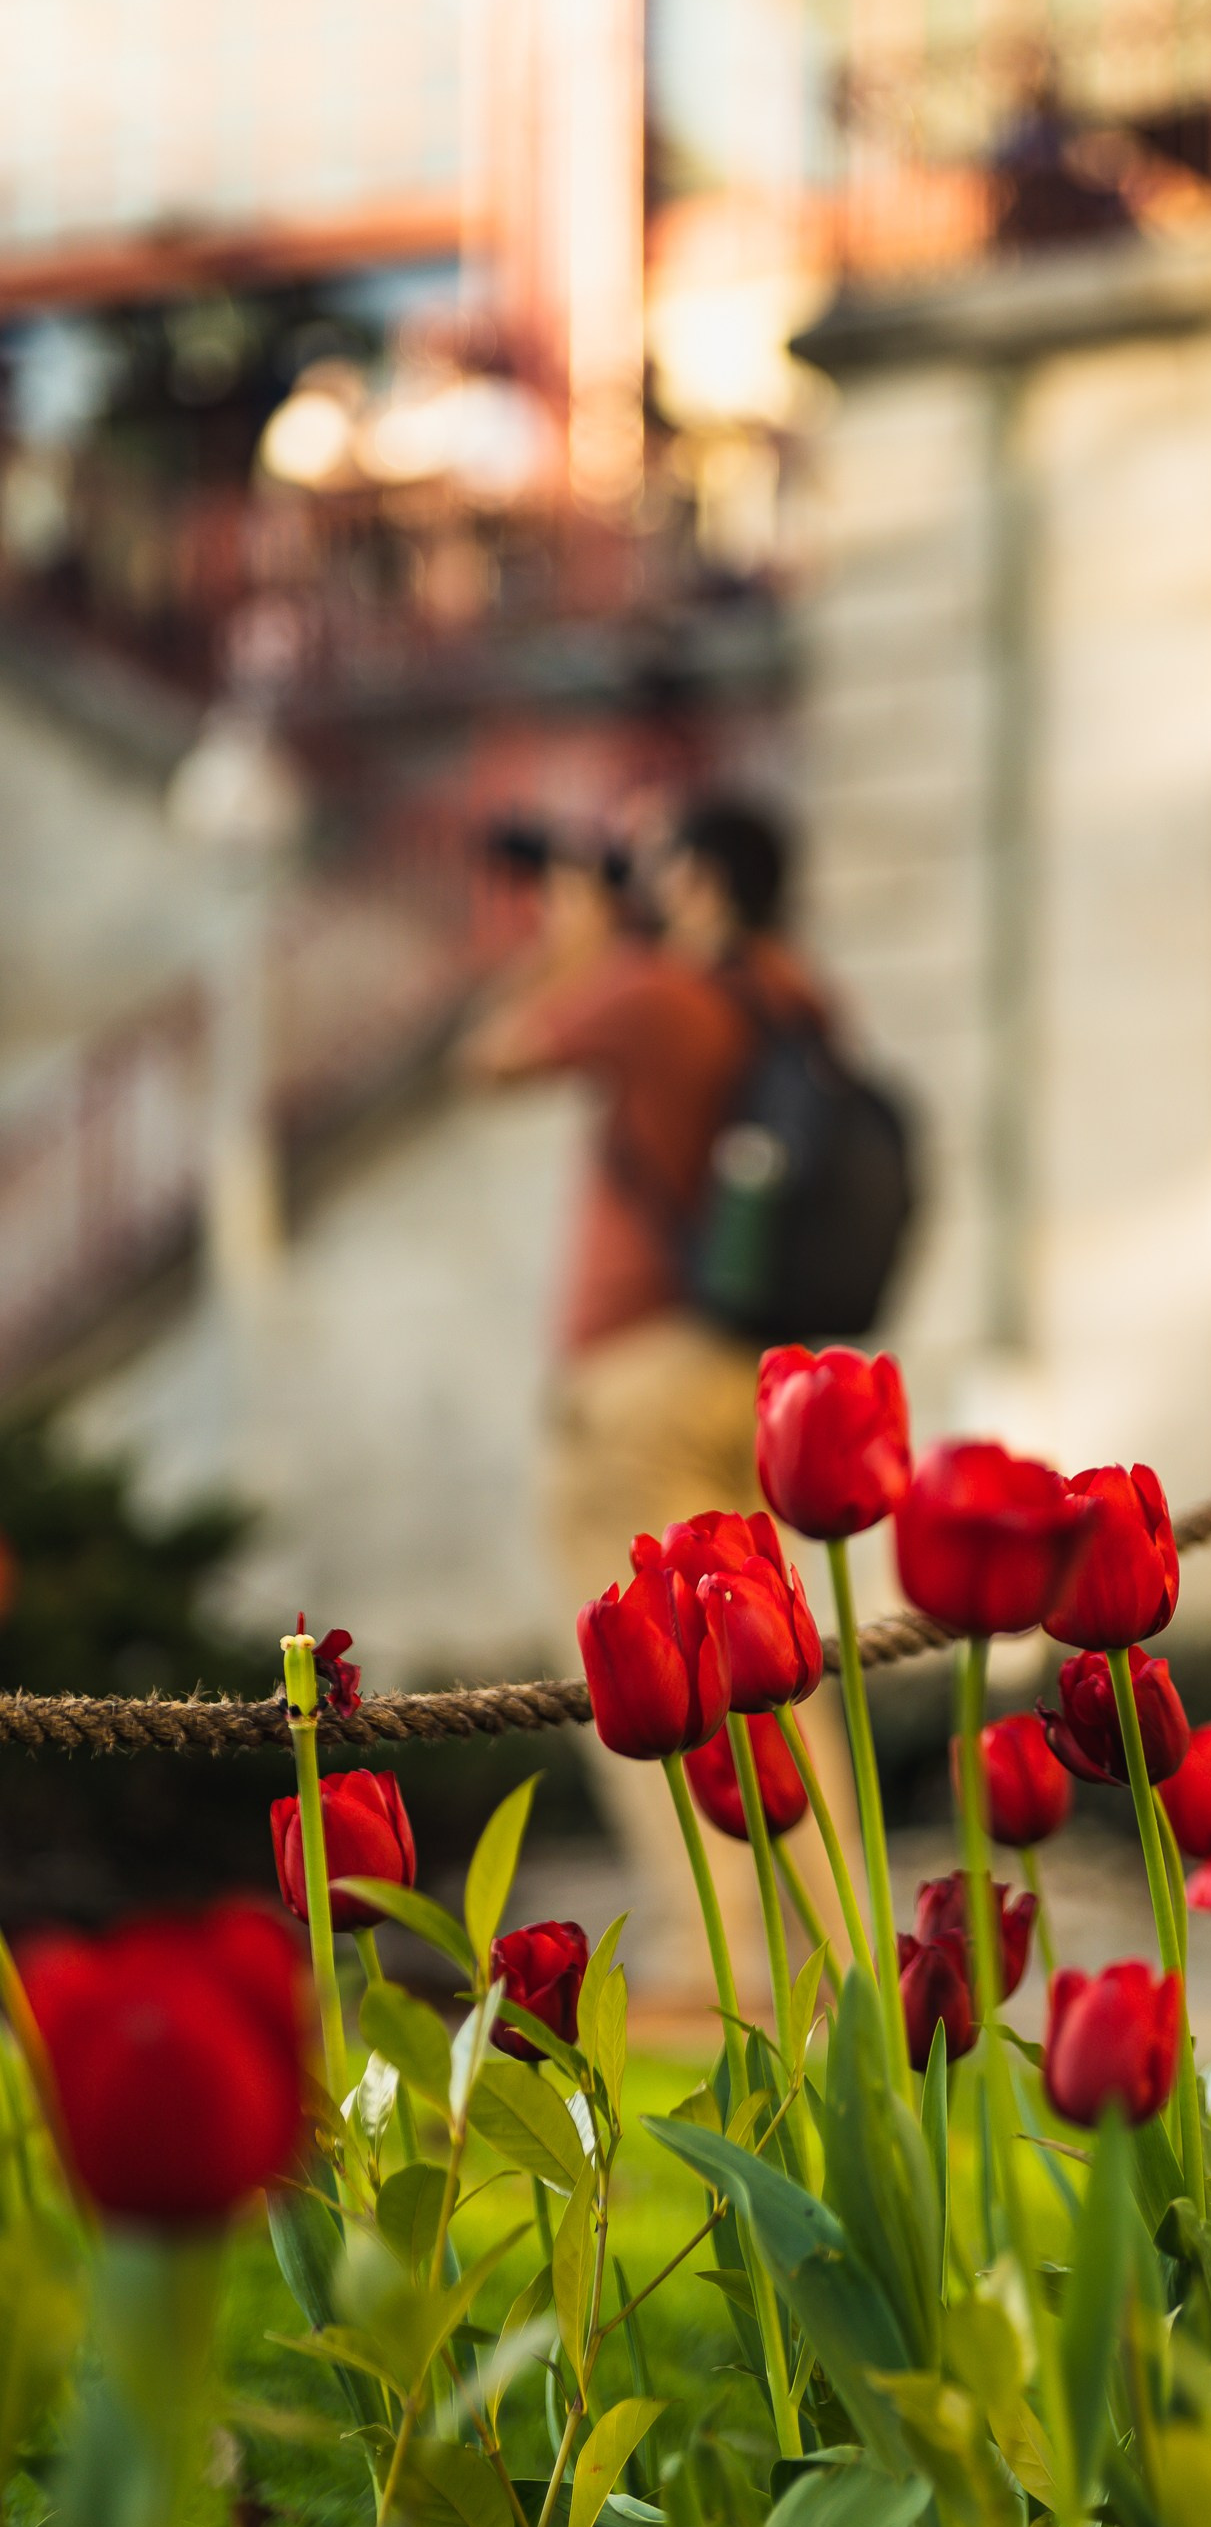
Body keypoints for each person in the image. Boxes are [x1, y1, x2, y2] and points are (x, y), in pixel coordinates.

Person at [459, 807, 859, 2024]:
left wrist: (573, 944)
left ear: (699, 877)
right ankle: (836, 1951)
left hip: (638, 1380)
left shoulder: (648, 992)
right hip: (750, 1376)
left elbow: (487, 1060)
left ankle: (719, 1960)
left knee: (653, 1673)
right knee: (768, 1672)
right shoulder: (796, 998)